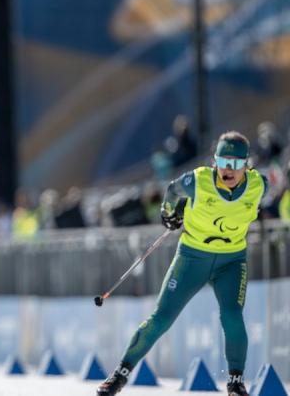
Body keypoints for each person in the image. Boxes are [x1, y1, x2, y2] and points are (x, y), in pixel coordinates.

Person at [97, 131, 268, 396]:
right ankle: (119, 374)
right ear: (215, 162)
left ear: (247, 164)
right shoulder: (199, 180)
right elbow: (173, 190)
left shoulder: (258, 185)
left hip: (231, 262)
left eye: (235, 164)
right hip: (192, 258)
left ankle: (235, 382)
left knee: (232, 317)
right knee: (162, 318)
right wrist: (168, 212)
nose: (228, 170)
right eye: (223, 162)